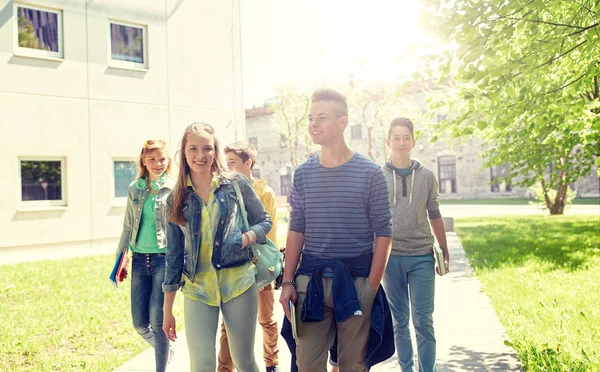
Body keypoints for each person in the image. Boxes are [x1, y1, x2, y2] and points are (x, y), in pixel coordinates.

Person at [279, 89, 395, 371]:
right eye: (310, 118)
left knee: (353, 365)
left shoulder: (370, 173)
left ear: (343, 122)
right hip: (311, 282)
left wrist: (371, 285)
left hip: (356, 282)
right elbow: (296, 229)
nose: (313, 124)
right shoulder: (303, 173)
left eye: (322, 118)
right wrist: (288, 281)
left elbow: (384, 232)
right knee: (306, 363)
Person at [161, 122, 272, 372]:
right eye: (193, 148)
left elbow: (264, 221)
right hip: (198, 289)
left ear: (215, 151)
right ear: (184, 152)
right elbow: (174, 256)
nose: (200, 156)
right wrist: (167, 310)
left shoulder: (235, 184)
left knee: (244, 361)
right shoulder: (175, 198)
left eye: (207, 148)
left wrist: (246, 238)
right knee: (202, 365)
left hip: (239, 283)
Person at [382, 117, 450, 372]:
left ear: (413, 141)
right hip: (391, 258)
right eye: (396, 138)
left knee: (423, 320)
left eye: (406, 138)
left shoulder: (427, 176)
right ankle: (406, 369)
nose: (401, 143)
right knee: (400, 322)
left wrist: (443, 249)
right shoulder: (379, 176)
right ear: (388, 142)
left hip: (422, 256)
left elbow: (435, 213)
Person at [219, 141, 280, 372]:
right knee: (229, 324)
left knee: (266, 319)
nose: (227, 167)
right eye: (226, 163)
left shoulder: (264, 192)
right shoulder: (224, 189)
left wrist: (267, 266)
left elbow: (269, 230)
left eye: (232, 162)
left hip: (260, 263)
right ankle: (225, 367)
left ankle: (271, 362)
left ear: (248, 163)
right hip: (233, 265)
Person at [116, 139, 173, 372]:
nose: (158, 163)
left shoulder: (174, 187)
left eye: (162, 159)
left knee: (158, 324)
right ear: (143, 161)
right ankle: (166, 350)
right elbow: (128, 226)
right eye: (152, 159)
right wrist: (121, 258)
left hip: (163, 260)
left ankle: (161, 365)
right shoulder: (134, 189)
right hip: (139, 260)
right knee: (140, 323)